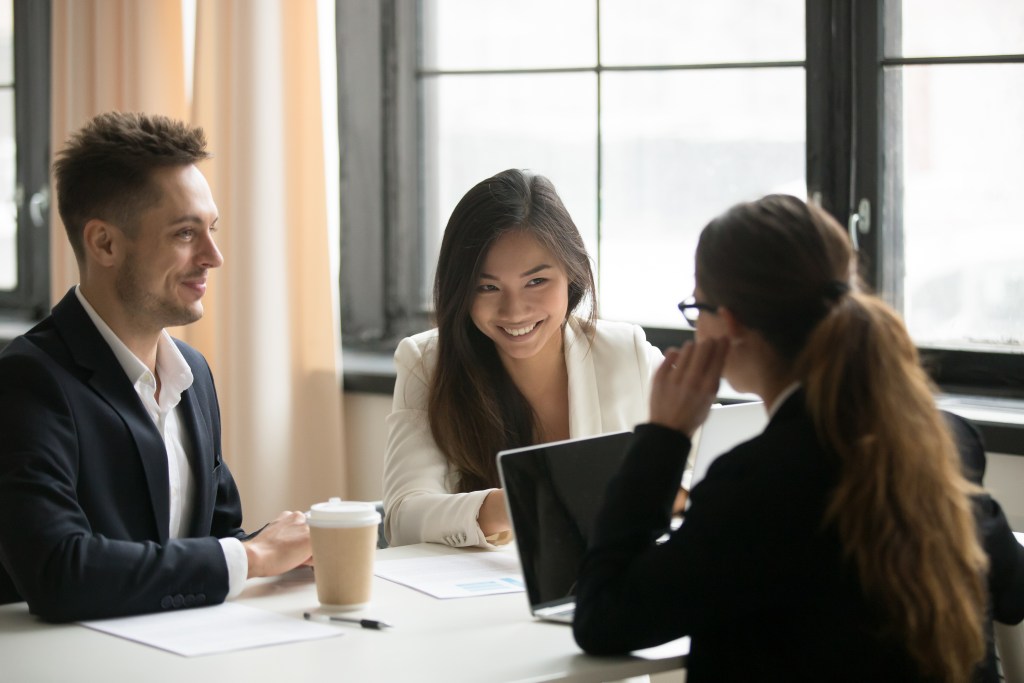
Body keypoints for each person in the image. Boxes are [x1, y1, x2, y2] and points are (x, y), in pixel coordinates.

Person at [572, 194, 1024, 682]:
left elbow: (602, 616)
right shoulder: (945, 441)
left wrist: (665, 436)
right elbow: (1014, 591)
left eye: (698, 308)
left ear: (731, 324)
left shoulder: (755, 485)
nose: (696, 326)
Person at [0, 112, 312, 622]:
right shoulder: (27, 380)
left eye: (211, 229)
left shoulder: (194, 373)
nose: (214, 256)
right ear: (104, 243)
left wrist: (292, 549)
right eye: (186, 233)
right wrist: (255, 556)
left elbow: (216, 542)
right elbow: (58, 571)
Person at [383, 169, 664, 548]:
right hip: (485, 583)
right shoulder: (426, 362)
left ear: (572, 274)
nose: (514, 310)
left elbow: (702, 474)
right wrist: (519, 500)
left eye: (536, 281)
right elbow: (403, 519)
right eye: (487, 287)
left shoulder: (626, 352)